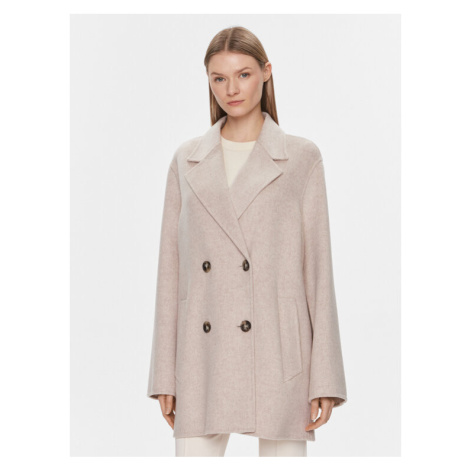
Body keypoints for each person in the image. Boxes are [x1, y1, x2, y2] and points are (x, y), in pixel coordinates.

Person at [147, 26, 347, 457]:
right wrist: (164, 372)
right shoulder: (186, 160)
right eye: (219, 78)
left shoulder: (301, 157)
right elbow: (170, 272)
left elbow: (319, 271)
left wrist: (325, 376)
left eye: (243, 75)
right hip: (202, 353)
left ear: (266, 72)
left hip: (278, 349)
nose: (231, 89)